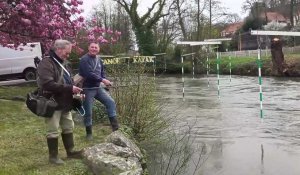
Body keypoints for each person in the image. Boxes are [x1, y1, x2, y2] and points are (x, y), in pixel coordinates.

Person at [37, 39, 83, 165]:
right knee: (53, 129)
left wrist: (76, 92)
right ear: (59, 49)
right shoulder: (46, 63)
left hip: (65, 102)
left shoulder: (65, 63)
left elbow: (70, 81)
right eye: (67, 53)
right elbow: (47, 84)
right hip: (52, 102)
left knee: (68, 127)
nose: (68, 56)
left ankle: (71, 151)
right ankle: (53, 157)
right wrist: (70, 88)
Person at [79, 42, 119, 140]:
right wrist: (102, 80)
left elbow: (102, 73)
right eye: (92, 47)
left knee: (111, 103)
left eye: (96, 47)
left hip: (98, 88)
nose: (94, 49)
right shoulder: (84, 60)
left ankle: (116, 129)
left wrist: (105, 81)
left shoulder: (99, 60)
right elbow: (89, 74)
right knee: (88, 111)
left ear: (99, 49)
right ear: (88, 48)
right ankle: (89, 134)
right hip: (87, 88)